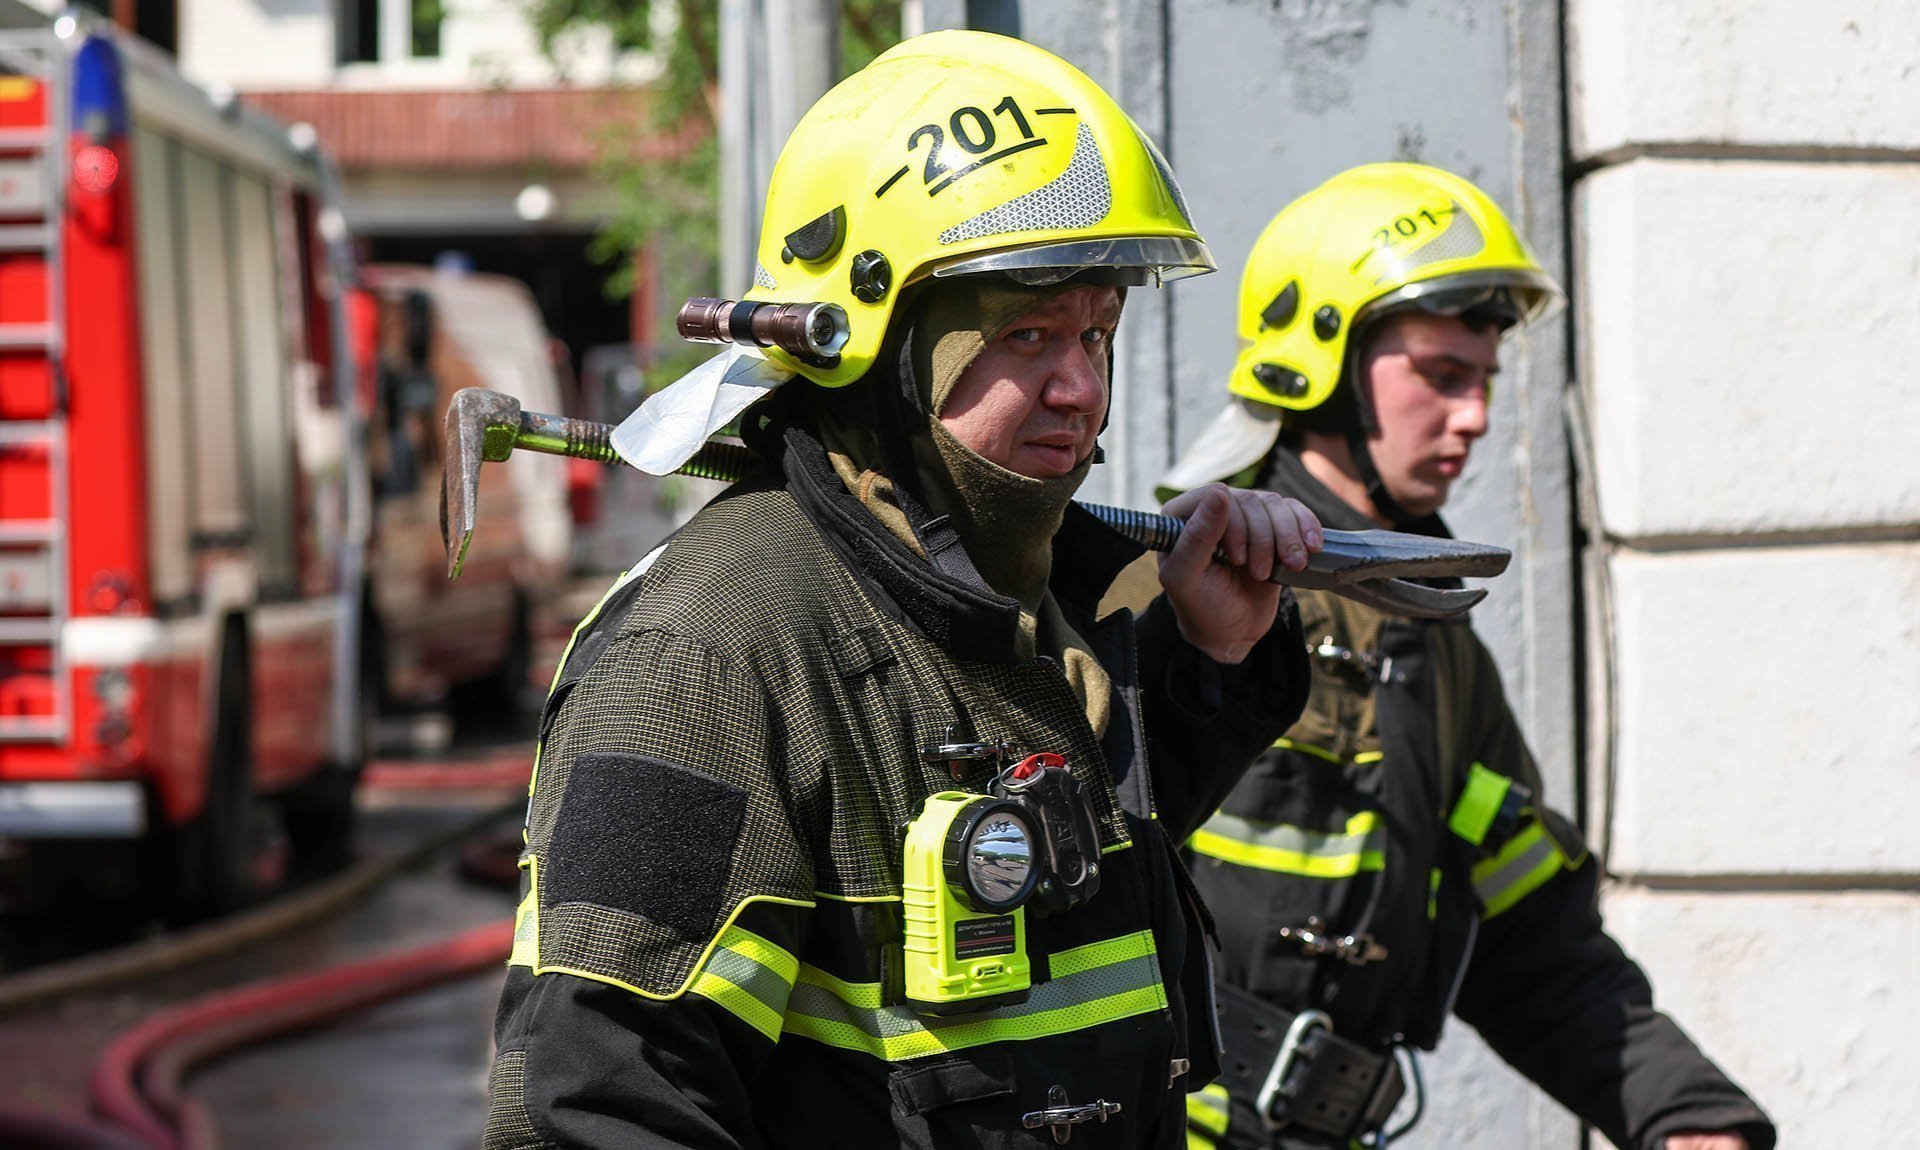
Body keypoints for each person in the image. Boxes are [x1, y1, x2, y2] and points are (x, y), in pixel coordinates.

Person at [483, 30, 1329, 1149]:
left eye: (1097, 331)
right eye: (1027, 332)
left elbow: (1051, 924)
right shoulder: (711, 655)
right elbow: (592, 1107)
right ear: (874, 346)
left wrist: (1206, 669)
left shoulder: (1034, 613)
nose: (1079, 385)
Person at [1160, 163, 1776, 1150]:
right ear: (1319, 361)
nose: (1476, 415)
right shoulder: (1173, 586)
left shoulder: (1435, 635)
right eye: (1442, 376)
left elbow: (1528, 935)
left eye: (1483, 381)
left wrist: (1686, 1114)